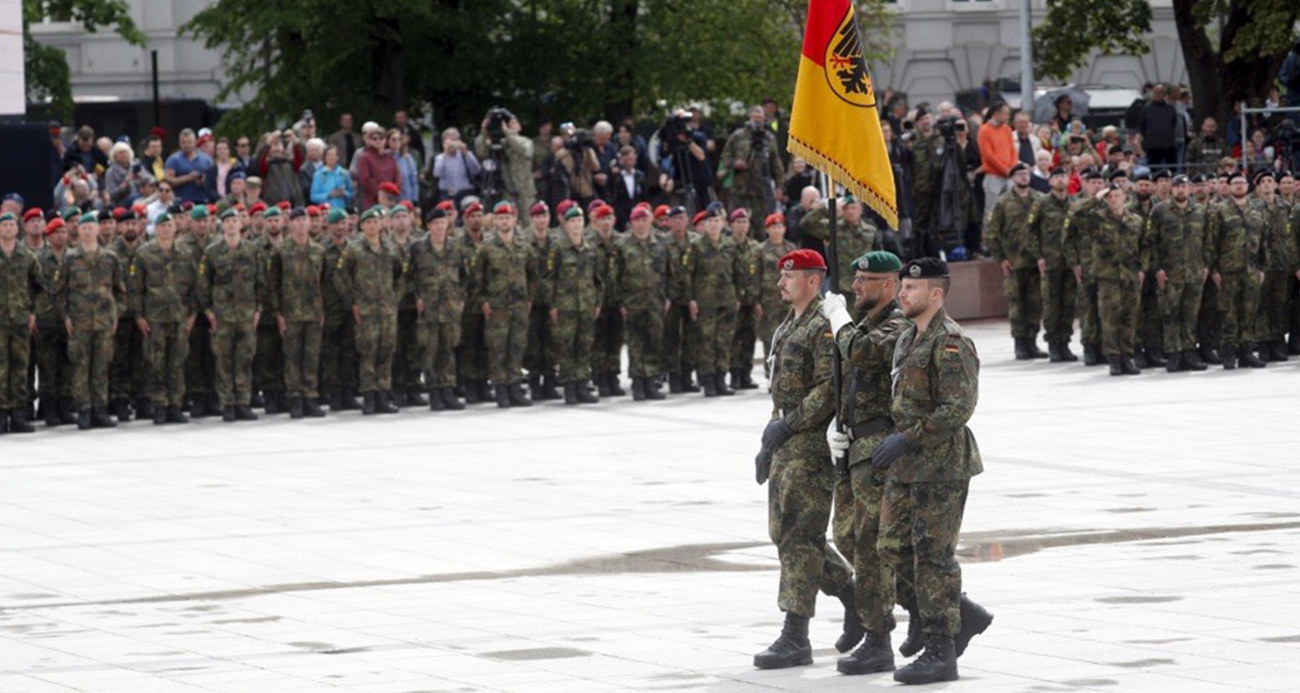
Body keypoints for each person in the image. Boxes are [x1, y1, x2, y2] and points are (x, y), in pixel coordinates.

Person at [871, 257, 990, 685]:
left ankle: (942, 648)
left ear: (935, 294)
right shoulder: (907, 337)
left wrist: (909, 437)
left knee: (933, 558)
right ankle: (960, 612)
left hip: (940, 465)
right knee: (890, 547)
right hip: (906, 465)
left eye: (911, 289)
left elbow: (958, 407)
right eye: (902, 287)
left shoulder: (952, 341)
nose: (901, 294)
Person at [751, 248, 853, 671]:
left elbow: (828, 390)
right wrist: (768, 442)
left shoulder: (822, 328)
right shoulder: (786, 326)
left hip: (810, 447)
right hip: (786, 444)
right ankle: (855, 597)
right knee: (785, 534)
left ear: (814, 281)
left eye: (790, 276)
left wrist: (788, 426)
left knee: (798, 538)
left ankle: (796, 634)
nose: (781, 283)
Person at [822, 250, 909, 675]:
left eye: (866, 280)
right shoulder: (866, 323)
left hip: (878, 446)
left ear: (889, 286)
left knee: (873, 546)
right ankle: (938, 615)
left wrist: (838, 320)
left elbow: (860, 354)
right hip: (854, 444)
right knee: (847, 537)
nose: (855, 286)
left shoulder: (896, 324)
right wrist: (836, 425)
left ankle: (879, 638)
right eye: (855, 279)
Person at [58, 212, 126, 429]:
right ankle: (83, 410)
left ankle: (100, 409)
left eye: (91, 227)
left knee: (101, 367)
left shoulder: (110, 258)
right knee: (80, 366)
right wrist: (65, 316)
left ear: (98, 230)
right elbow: (58, 292)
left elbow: (120, 291)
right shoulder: (69, 259)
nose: (88, 232)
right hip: (79, 322)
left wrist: (116, 313)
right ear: (78, 230)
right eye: (84, 228)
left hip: (104, 322)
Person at [128, 211, 198, 424]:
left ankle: (175, 404)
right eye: (162, 226)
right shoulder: (144, 254)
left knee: (177, 362)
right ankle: (159, 404)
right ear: (155, 229)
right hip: (155, 318)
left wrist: (192, 315)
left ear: (175, 228)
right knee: (156, 363)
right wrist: (139, 316)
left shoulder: (186, 253)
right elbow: (135, 288)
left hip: (179, 317)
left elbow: (194, 288)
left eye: (169, 225)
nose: (166, 229)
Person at [335, 206, 404, 414]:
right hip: (365, 310)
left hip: (387, 310)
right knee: (367, 352)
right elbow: (340, 277)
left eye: (375, 222)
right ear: (362, 226)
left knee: (386, 351)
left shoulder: (390, 248)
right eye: (368, 223)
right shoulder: (354, 250)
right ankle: (368, 396)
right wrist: (352, 302)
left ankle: (383, 394)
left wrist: (395, 299)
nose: (372, 226)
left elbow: (400, 277)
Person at [199, 208, 264, 421]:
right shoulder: (212, 251)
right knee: (224, 360)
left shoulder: (252, 251)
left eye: (234, 221)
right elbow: (203, 285)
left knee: (245, 359)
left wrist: (258, 310)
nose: (231, 225)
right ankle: (227, 402)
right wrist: (209, 312)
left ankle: (243, 402)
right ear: (222, 225)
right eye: (227, 221)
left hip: (246, 314)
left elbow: (261, 283)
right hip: (222, 315)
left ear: (240, 224)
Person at [474, 201, 535, 407]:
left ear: (514, 220)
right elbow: (477, 278)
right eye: (501, 218)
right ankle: (500, 387)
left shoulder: (524, 247)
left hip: (518, 306)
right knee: (497, 348)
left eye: (508, 217)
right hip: (497, 306)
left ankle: (515, 386)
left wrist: (529, 298)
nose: (504, 221)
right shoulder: (486, 248)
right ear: (495, 222)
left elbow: (533, 275)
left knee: (517, 346)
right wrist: (483, 300)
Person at [269, 207, 328, 418]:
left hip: (313, 312)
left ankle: (310, 396)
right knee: (292, 356)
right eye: (297, 220)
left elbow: (325, 283)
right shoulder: (281, 251)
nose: (302, 224)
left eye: (305, 220)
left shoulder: (319, 251)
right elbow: (274, 284)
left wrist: (323, 310)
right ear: (290, 223)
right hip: (291, 312)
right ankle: (294, 397)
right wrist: (278, 313)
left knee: (311, 356)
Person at [1147, 175, 1209, 372]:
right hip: (1170, 273)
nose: (1181, 190)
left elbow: (1208, 241)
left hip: (1194, 272)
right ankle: (1173, 354)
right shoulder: (1159, 211)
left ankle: (1189, 352)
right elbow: (1151, 242)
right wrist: (1157, 268)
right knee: (1170, 314)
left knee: (1191, 315)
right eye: (1177, 187)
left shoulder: (1200, 211)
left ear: (1189, 189)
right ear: (1171, 189)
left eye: (1184, 186)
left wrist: (1206, 265)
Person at [984, 162, 1047, 359]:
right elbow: (991, 233)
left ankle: (1032, 341)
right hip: (1014, 262)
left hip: (1036, 261)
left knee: (1035, 303)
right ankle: (1020, 343)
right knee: (1017, 304)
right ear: (1012, 178)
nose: (1023, 177)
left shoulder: (1039, 200)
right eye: (1019, 174)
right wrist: (1001, 258)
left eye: (1026, 174)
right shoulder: (1003, 203)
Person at [408, 208, 467, 411]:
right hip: (429, 309)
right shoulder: (418, 248)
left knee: (448, 350)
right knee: (430, 350)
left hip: (450, 308)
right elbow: (408, 278)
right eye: (436, 223)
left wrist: (461, 299)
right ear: (429, 225)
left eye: (443, 223)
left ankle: (447, 390)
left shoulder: (455, 247)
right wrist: (416, 298)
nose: (440, 227)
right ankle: (434, 391)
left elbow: (465, 276)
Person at [544, 204, 601, 404]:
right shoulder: (558, 247)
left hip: (586, 304)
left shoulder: (590, 247)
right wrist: (552, 305)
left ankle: (582, 384)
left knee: (585, 345)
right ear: (566, 225)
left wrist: (597, 302)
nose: (576, 225)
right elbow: (549, 278)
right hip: (565, 306)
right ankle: (569, 386)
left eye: (579, 221)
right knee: (566, 346)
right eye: (572, 221)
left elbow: (597, 278)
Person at [683, 208, 743, 397]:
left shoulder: (730, 244)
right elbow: (687, 275)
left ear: (723, 223)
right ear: (704, 225)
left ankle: (720, 379)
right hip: (705, 301)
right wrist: (691, 299)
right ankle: (708, 380)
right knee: (706, 341)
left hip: (727, 299)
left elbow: (738, 272)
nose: (714, 224)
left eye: (717, 221)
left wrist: (738, 296)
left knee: (724, 341)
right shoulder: (696, 246)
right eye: (710, 221)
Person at [616, 205, 669, 401]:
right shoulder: (623, 244)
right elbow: (616, 276)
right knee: (635, 342)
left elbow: (668, 272)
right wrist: (619, 301)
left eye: (644, 219)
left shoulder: (661, 242)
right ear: (632, 222)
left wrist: (668, 297)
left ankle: (651, 380)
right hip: (632, 302)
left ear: (650, 220)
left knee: (654, 340)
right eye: (636, 220)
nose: (640, 223)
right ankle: (638, 381)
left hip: (655, 300)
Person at [1092, 184, 1146, 375]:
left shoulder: (1136, 221)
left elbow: (1145, 245)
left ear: (1125, 197)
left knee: (1130, 317)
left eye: (1117, 195)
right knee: (1110, 318)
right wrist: (1095, 198)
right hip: (1109, 276)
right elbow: (1077, 217)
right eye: (1110, 197)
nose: (1114, 199)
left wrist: (1142, 268)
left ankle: (1127, 356)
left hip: (1130, 275)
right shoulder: (1097, 219)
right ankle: (1113, 358)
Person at [1029, 167, 1078, 361]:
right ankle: (1053, 343)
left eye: (1063, 176)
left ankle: (1064, 342)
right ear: (1050, 182)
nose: (1060, 180)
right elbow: (1031, 232)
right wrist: (1038, 256)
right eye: (1056, 177)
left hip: (1070, 262)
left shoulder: (1074, 204)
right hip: (1050, 262)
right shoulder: (1041, 203)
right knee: (1052, 304)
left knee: (1068, 304)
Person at [0, 211, 42, 434]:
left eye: (11, 225)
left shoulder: (27, 256)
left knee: (20, 367)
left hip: (20, 320)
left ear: (17, 229)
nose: (7, 229)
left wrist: (33, 311)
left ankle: (18, 413)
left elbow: (39, 286)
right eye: (4, 225)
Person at [319, 209, 361, 411]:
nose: (340, 227)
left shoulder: (355, 248)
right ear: (329, 226)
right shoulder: (322, 250)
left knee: (350, 351)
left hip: (351, 308)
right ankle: (334, 393)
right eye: (336, 224)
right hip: (331, 308)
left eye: (343, 223)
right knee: (330, 353)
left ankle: (348, 392)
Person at [1253, 170, 1296, 362]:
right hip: (1262, 265)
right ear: (1258, 186)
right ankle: (1263, 343)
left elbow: (1292, 236)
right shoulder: (1252, 208)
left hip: (1281, 263)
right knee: (1261, 305)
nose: (1267, 184)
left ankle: (1277, 341)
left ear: (1275, 185)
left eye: (1270, 181)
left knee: (1279, 304)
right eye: (1263, 181)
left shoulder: (1285, 207)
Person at [523, 202, 560, 401]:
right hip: (533, 301)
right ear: (531, 219)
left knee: (551, 341)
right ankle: (534, 382)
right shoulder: (524, 241)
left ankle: (550, 381)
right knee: (533, 342)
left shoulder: (556, 241)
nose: (541, 220)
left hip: (552, 300)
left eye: (544, 216)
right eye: (537, 216)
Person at [719, 106, 785, 219]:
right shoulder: (738, 135)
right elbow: (725, 156)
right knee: (739, 220)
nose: (757, 122)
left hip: (761, 187)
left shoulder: (769, 138)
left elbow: (776, 164)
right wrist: (734, 163)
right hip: (740, 187)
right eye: (755, 119)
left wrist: (779, 187)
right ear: (749, 118)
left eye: (760, 119)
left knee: (761, 222)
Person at [662, 206, 700, 393]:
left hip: (691, 297)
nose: (678, 221)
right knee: (671, 338)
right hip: (672, 297)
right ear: (668, 221)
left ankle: (687, 376)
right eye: (674, 218)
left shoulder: (696, 241)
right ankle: (674, 376)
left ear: (687, 219)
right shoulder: (662, 242)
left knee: (691, 338)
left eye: (681, 217)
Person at [756, 213, 796, 376]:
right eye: (773, 227)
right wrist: (756, 301)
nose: (777, 230)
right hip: (769, 300)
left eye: (780, 227)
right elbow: (755, 277)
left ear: (785, 229)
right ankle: (771, 373)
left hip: (789, 301)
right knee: (771, 337)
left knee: (790, 336)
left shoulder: (792, 249)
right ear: (767, 230)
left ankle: (787, 372)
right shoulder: (760, 250)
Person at [728, 207, 763, 390]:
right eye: (738, 222)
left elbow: (759, 274)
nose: (742, 226)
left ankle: (746, 374)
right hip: (735, 300)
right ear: (731, 225)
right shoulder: (727, 246)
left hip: (751, 299)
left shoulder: (755, 247)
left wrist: (758, 300)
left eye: (744, 222)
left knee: (749, 336)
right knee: (734, 337)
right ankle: (734, 374)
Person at [474, 111, 536, 212]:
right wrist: (484, 131)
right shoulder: (500, 144)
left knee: (529, 223)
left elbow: (524, 149)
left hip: (525, 192)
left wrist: (509, 133)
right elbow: (481, 151)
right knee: (507, 221)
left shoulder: (526, 142)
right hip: (507, 192)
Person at [977, 102, 1015, 217]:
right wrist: (1005, 169)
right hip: (993, 175)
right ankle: (989, 235)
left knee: (1010, 210)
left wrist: (1012, 168)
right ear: (996, 114)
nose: (1008, 117)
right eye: (1005, 114)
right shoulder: (984, 130)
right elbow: (988, 156)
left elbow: (1013, 150)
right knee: (992, 211)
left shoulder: (1007, 129)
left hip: (1009, 175)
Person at [165, 129, 214, 205]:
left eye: (189, 142)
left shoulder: (206, 160)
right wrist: (188, 178)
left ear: (195, 142)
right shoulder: (173, 160)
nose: (186, 145)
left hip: (203, 200)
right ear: (179, 143)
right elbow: (169, 181)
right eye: (183, 142)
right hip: (181, 201)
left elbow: (214, 181)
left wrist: (204, 181)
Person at [1138, 84, 1178, 170]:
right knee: (1153, 169)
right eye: (1156, 92)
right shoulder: (1146, 109)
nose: (1158, 95)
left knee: (1172, 168)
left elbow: (1173, 123)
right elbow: (1142, 126)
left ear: (1164, 94)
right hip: (1153, 145)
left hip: (1168, 144)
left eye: (1160, 93)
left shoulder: (1170, 108)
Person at [310, 145, 354, 210]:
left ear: (337, 157)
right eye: (329, 155)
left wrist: (344, 193)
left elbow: (352, 193)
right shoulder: (319, 175)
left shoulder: (344, 173)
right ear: (324, 157)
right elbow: (313, 196)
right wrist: (329, 195)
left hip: (342, 210)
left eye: (333, 155)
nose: (331, 157)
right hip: (326, 211)